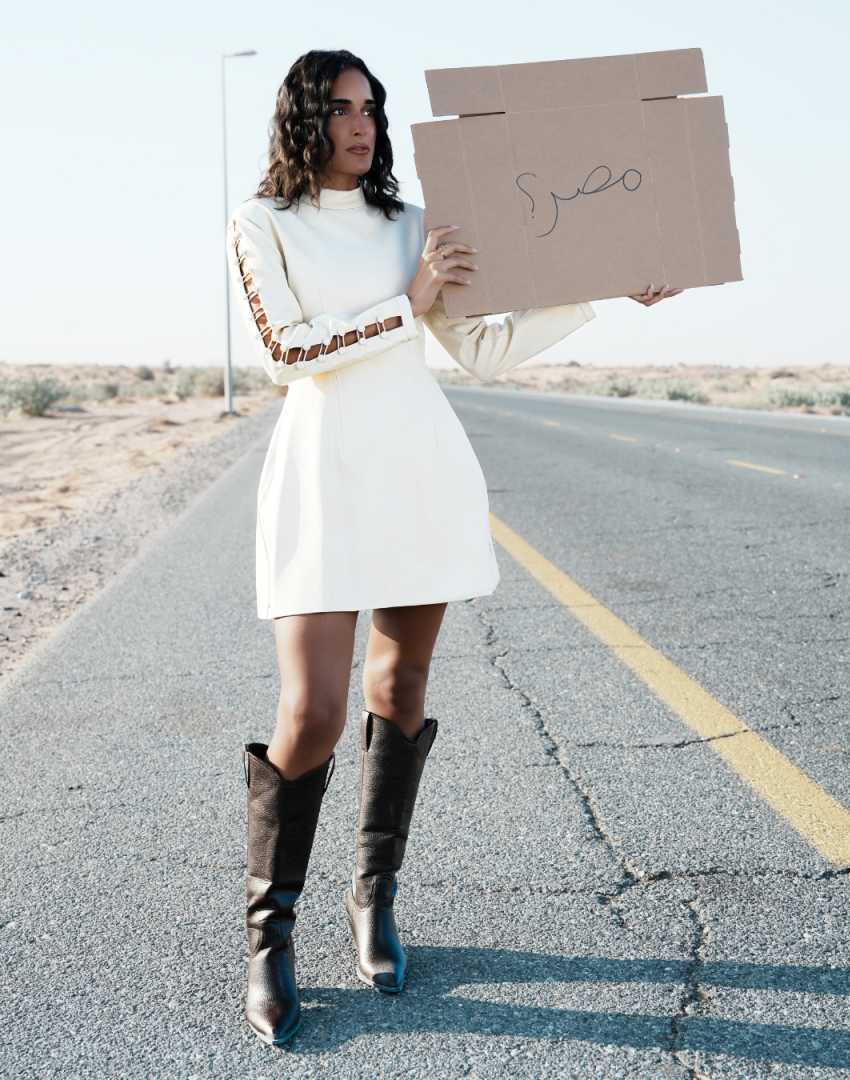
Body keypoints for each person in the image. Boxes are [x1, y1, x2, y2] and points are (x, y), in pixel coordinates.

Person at [226, 48, 682, 1047]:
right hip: (321, 480)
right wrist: (407, 298)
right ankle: (271, 935)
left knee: (402, 689)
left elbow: (477, 346)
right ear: (303, 117)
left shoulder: (411, 224)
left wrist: (600, 288)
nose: (363, 125)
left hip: (417, 472)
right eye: (342, 108)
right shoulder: (262, 224)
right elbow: (286, 352)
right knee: (310, 711)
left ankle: (373, 897)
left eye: (372, 109)